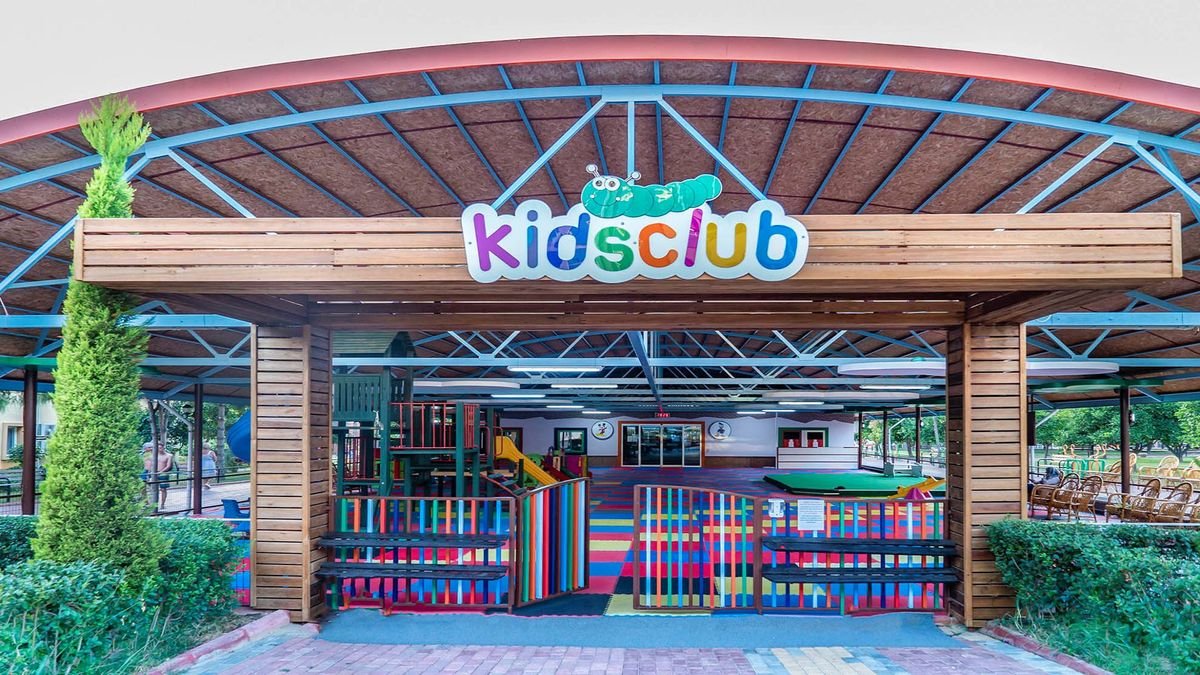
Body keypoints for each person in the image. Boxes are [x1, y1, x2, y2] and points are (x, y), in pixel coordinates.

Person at [142, 442, 173, 510]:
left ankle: (162, 504)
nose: (160, 449)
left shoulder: (169, 455)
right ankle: (151, 504)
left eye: (161, 447)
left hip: (163, 473)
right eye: (158, 448)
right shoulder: (153, 455)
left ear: (163, 447)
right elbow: (149, 465)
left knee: (163, 489)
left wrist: (161, 472)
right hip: (154, 473)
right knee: (152, 488)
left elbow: (168, 466)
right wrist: (150, 473)